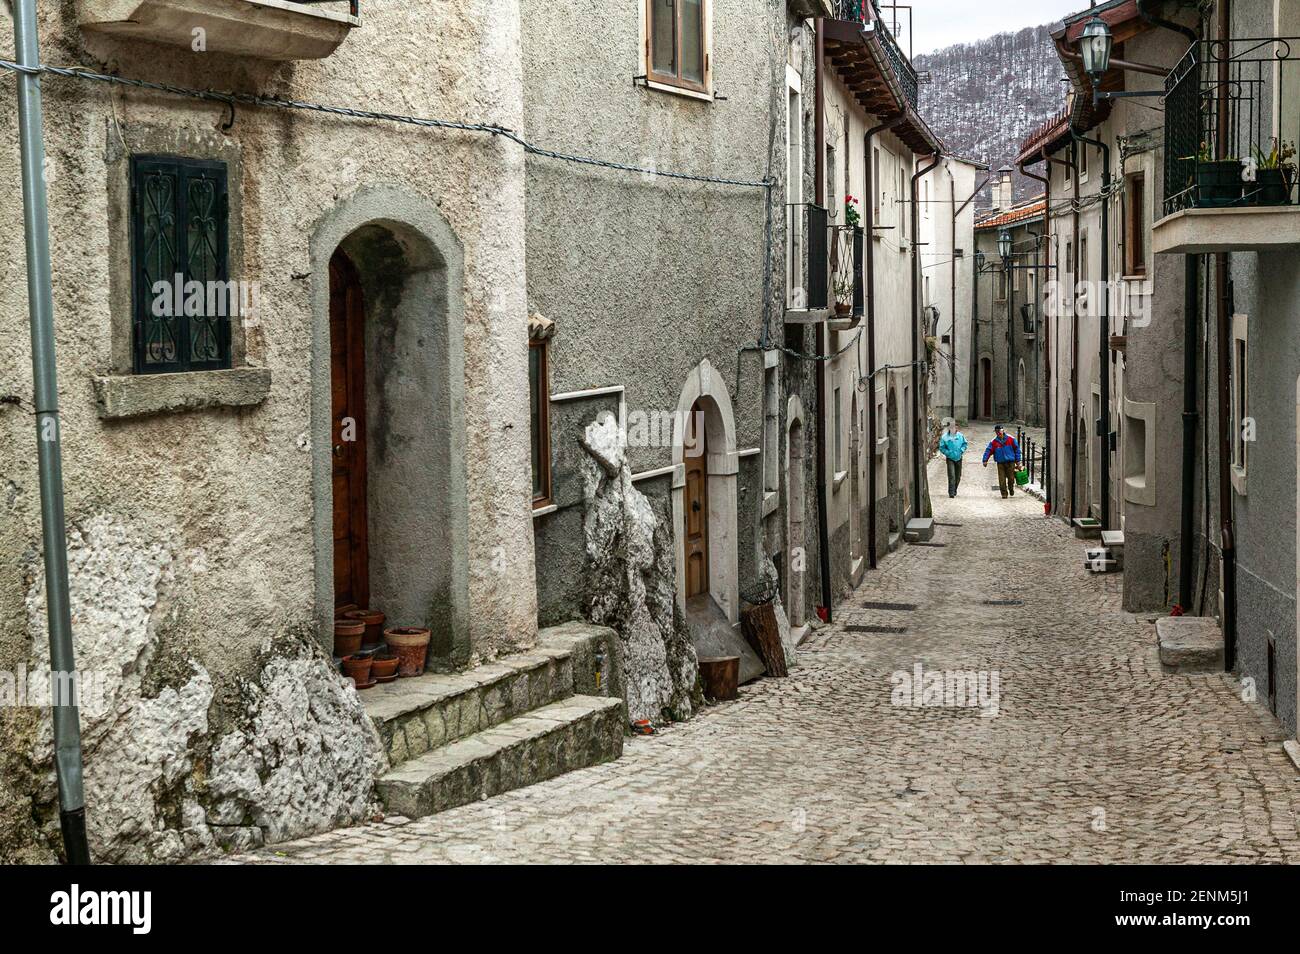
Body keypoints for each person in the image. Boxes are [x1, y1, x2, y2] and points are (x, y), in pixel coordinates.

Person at [982, 424, 1021, 498]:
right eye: (996, 432)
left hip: (1011, 462)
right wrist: (985, 460)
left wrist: (1018, 460)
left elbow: (1017, 449)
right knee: (1001, 479)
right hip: (1000, 463)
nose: (997, 433)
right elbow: (988, 450)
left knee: (1011, 478)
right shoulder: (994, 441)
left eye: (999, 431)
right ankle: (1004, 494)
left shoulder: (1011, 439)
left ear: (1002, 431)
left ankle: (1011, 488)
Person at [937, 418, 967, 498]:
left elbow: (965, 444)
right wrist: (948, 453)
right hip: (950, 459)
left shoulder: (960, 436)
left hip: (959, 458)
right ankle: (951, 492)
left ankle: (954, 489)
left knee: (958, 476)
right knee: (952, 476)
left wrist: (961, 450)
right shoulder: (944, 437)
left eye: (955, 427)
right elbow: (942, 447)